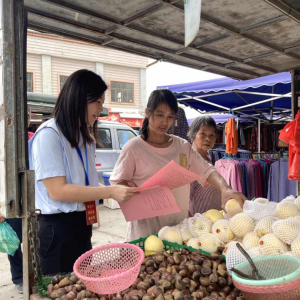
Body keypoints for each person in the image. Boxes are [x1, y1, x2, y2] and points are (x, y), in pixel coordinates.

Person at [29, 69, 138, 275]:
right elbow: (58, 191)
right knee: (60, 289)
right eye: (97, 101)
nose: (101, 108)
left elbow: (85, 184)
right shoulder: (49, 135)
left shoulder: (84, 137)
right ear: (78, 99)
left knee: (82, 286)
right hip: (57, 229)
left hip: (82, 223)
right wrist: (109, 192)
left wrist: (113, 188)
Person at [110, 89, 247, 241]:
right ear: (148, 113)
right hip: (145, 233)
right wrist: (134, 194)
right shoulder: (133, 148)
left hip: (177, 232)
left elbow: (207, 170)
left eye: (170, 117)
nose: (164, 122)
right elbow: (118, 183)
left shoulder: (182, 146)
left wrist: (225, 189)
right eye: (160, 115)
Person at [188, 116, 222, 215]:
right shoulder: (190, 162)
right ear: (193, 135)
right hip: (199, 220)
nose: (208, 139)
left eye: (212, 135)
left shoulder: (208, 157)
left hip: (214, 218)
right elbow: (185, 199)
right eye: (203, 134)